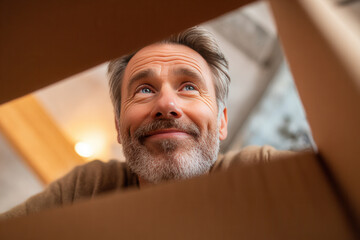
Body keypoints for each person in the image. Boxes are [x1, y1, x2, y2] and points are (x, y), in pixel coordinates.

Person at [0, 26, 297, 219]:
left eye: (189, 87)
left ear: (221, 121)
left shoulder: (261, 174)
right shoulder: (86, 190)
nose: (167, 105)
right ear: (118, 127)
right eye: (144, 90)